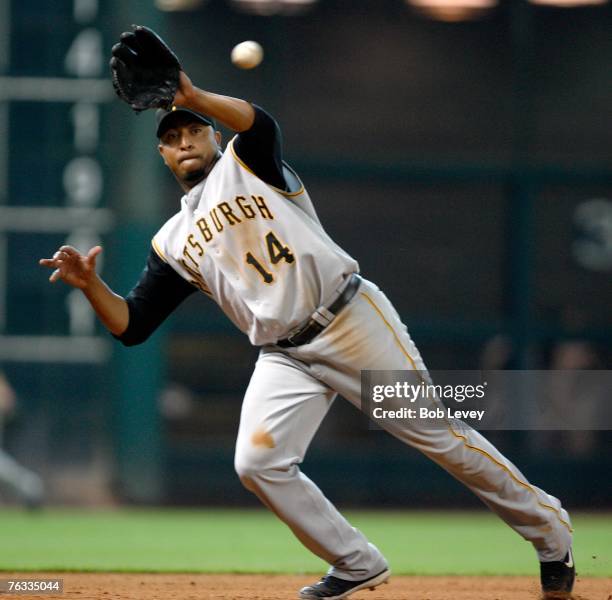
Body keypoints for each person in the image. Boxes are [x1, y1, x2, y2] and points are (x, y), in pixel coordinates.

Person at [40, 70, 575, 599]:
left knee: (439, 437)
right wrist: (91, 286)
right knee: (256, 463)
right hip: (285, 356)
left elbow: (261, 123)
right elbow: (132, 325)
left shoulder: (248, 165)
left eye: (193, 131)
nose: (184, 144)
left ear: (214, 137)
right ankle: (356, 561)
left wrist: (194, 95)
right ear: (162, 156)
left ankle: (550, 531)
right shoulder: (172, 242)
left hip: (349, 320)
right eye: (172, 139)